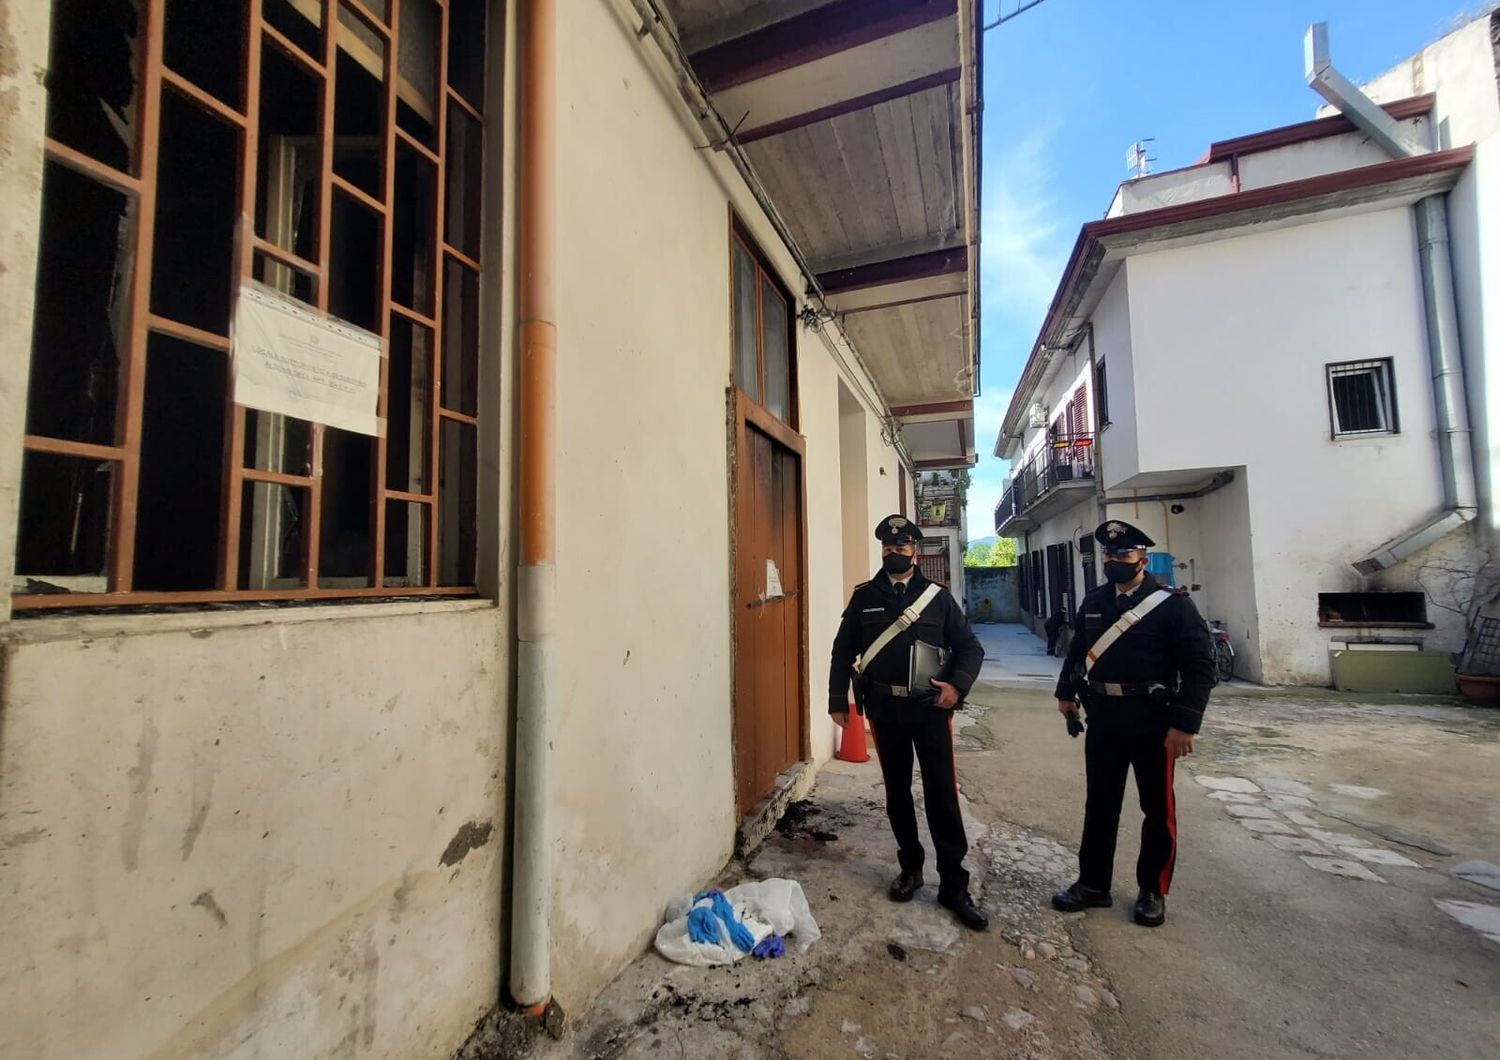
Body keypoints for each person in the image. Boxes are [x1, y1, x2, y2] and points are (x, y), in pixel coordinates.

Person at [1051, 519, 1215, 927]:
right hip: (1104, 717)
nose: (1114, 561)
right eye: (1109, 555)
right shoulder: (1095, 601)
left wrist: (1186, 725)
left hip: (1153, 722)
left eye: (1123, 555)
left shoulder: (1172, 604)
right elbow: (1078, 652)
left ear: (1142, 558)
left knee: (1157, 809)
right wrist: (1066, 694)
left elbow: (1200, 667)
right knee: (1100, 805)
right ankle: (1093, 884)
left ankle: (1152, 889)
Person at [828, 515, 988, 930]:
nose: (894, 552)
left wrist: (956, 686)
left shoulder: (937, 598)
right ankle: (911, 868)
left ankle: (954, 884)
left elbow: (970, 647)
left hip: (930, 710)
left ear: (916, 551)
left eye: (902, 547)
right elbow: (842, 651)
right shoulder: (865, 597)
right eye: (888, 546)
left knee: (941, 795)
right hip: (885, 710)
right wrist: (837, 702)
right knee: (897, 793)